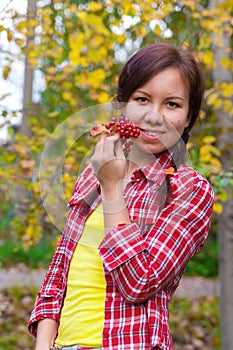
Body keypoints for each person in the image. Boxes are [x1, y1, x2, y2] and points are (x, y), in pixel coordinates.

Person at [28, 42, 214, 350]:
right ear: (122, 104)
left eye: (172, 104)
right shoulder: (93, 173)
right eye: (142, 99)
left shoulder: (188, 189)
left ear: (189, 116)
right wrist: (44, 342)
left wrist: (112, 189)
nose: (154, 116)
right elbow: (61, 269)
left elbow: (139, 283)